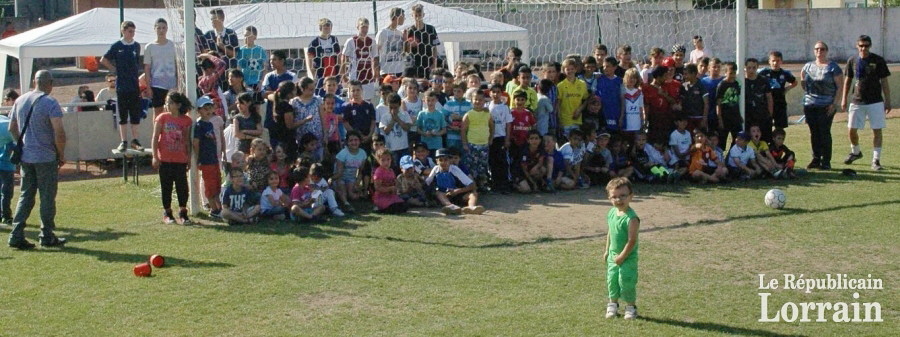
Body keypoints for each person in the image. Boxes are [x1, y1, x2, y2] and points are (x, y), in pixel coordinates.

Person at [7, 71, 66, 249]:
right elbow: (59, 133)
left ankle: (16, 234)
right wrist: (61, 153)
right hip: (45, 156)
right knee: (47, 197)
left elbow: (12, 128)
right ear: (51, 83)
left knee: (26, 195)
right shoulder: (50, 102)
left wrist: (23, 144)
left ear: (35, 81)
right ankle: (46, 235)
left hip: (27, 156)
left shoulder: (20, 100)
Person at [842, 35, 892, 171]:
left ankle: (876, 160)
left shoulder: (878, 60)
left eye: (866, 45)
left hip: (875, 101)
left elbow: (884, 81)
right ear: (857, 46)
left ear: (870, 46)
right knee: (851, 129)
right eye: (861, 45)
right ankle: (856, 151)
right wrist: (843, 98)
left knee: (877, 130)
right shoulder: (852, 60)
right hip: (857, 100)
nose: (864, 48)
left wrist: (888, 100)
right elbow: (848, 80)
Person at [151, 91, 193, 225]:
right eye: (166, 102)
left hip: (180, 159)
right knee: (166, 186)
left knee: (182, 187)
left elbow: (187, 140)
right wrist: (155, 156)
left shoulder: (186, 120)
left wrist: (189, 157)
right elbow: (155, 137)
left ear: (178, 105)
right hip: (165, 159)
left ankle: (183, 211)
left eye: (170, 102)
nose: (167, 105)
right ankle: (168, 212)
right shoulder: (162, 118)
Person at [100, 21, 143, 152]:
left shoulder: (136, 46)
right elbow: (103, 59)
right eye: (130, 31)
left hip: (134, 85)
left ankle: (135, 140)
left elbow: (137, 64)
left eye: (133, 31)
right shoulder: (117, 46)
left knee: (135, 114)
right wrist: (114, 70)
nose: (132, 34)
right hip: (122, 86)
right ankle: (123, 140)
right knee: (123, 114)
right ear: (123, 31)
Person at [800, 41, 843, 170]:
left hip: (826, 105)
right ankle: (816, 158)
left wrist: (834, 104)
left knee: (824, 132)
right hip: (810, 104)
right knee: (814, 132)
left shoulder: (833, 67)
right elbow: (803, 82)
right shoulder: (808, 66)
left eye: (822, 49)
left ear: (826, 51)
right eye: (817, 49)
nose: (819, 51)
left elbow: (840, 87)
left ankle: (826, 160)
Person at [603, 177, 641, 320]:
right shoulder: (612, 213)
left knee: (626, 281)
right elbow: (610, 233)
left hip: (627, 257)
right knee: (612, 280)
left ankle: (630, 307)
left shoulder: (632, 218)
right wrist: (607, 250)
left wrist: (622, 257)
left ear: (631, 196)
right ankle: (612, 304)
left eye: (623, 196)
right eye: (615, 197)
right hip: (613, 256)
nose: (618, 200)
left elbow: (632, 241)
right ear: (609, 198)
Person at [426, 148, 485, 215]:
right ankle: (451, 206)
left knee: (473, 194)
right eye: (440, 160)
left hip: (457, 194)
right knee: (438, 193)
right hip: (444, 195)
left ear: (450, 160)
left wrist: (457, 191)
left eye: (446, 160)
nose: (443, 162)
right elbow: (427, 182)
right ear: (437, 161)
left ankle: (471, 207)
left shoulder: (455, 169)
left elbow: (472, 185)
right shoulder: (435, 169)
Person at [194, 96, 223, 218]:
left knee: (217, 184)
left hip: (214, 158)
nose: (208, 110)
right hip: (205, 160)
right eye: (205, 108)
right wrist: (198, 158)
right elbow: (196, 143)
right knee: (210, 186)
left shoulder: (210, 124)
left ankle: (219, 208)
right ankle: (214, 209)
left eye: (210, 107)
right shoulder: (199, 125)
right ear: (199, 110)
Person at [143, 18, 177, 119]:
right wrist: (148, 87)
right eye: (159, 28)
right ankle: (157, 134)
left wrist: (179, 83)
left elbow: (177, 65)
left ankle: (170, 134)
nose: (161, 30)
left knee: (172, 111)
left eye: (163, 28)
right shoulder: (149, 47)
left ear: (167, 29)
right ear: (155, 29)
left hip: (172, 84)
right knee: (157, 112)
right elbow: (147, 67)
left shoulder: (173, 45)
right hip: (157, 84)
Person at [461, 91, 494, 189]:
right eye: (476, 99)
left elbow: (492, 127)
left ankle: (482, 185)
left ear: (484, 101)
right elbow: (463, 130)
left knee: (483, 167)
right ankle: (472, 186)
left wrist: (491, 139)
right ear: (472, 100)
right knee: (471, 167)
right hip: (472, 144)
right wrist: (465, 144)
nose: (478, 102)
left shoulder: (487, 114)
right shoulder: (468, 115)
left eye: (480, 100)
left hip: (484, 145)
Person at [758, 51, 797, 130]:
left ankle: (778, 142)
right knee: (766, 127)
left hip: (780, 104)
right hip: (767, 103)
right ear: (769, 61)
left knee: (779, 128)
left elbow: (794, 82)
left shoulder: (785, 73)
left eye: (778, 61)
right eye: (773, 61)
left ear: (781, 61)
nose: (775, 63)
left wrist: (786, 89)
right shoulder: (764, 72)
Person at [342, 18, 378, 102]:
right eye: (363, 27)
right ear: (357, 27)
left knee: (367, 101)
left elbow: (375, 58)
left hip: (368, 77)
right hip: (355, 77)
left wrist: (376, 72)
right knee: (354, 100)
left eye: (366, 27)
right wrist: (343, 75)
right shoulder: (351, 41)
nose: (365, 30)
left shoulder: (372, 41)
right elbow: (343, 58)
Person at [404, 4, 441, 79]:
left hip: (428, 63)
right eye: (416, 15)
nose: (417, 18)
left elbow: (434, 48)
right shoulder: (409, 31)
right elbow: (406, 52)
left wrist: (434, 63)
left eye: (419, 15)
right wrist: (409, 44)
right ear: (412, 15)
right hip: (414, 64)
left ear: (423, 15)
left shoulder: (431, 29)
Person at [306, 18, 342, 97]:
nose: (327, 29)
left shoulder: (334, 39)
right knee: (321, 98)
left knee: (337, 98)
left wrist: (341, 73)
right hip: (321, 77)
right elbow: (310, 61)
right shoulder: (314, 42)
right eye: (325, 27)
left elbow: (339, 57)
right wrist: (314, 76)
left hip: (334, 76)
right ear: (320, 28)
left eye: (329, 27)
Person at [488, 84, 513, 192]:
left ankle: (505, 184)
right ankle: (495, 183)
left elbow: (508, 124)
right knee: (492, 161)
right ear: (490, 93)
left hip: (501, 137)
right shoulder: (487, 107)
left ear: (501, 93)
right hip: (490, 138)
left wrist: (507, 139)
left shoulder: (505, 107)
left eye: (498, 92)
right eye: (493, 92)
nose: (495, 94)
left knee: (502, 162)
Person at [744, 58, 774, 143]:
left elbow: (769, 97)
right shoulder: (742, 81)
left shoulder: (763, 80)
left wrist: (770, 113)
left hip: (762, 114)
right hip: (747, 115)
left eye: (754, 67)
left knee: (764, 139)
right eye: (749, 67)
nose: (751, 70)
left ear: (757, 68)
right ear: (745, 67)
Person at [558, 58, 589, 136]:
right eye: (567, 69)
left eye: (572, 69)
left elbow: (585, 99)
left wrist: (579, 110)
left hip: (577, 120)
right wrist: (559, 121)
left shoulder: (582, 84)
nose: (570, 71)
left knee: (576, 143)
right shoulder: (560, 85)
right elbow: (558, 104)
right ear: (564, 70)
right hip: (565, 121)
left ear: (576, 69)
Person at [372, 148, 408, 213]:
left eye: (388, 159)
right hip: (381, 197)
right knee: (394, 208)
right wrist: (389, 189)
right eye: (383, 160)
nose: (386, 162)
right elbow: (377, 188)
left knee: (404, 205)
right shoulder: (378, 172)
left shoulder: (391, 171)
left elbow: (394, 182)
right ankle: (380, 209)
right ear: (378, 161)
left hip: (391, 196)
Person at [380, 92, 412, 164]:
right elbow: (386, 131)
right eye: (391, 107)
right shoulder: (385, 116)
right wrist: (392, 121)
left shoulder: (405, 114)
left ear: (399, 105)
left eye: (395, 107)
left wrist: (398, 119)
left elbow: (407, 128)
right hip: (391, 148)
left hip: (404, 147)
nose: (393, 110)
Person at [715, 62, 741, 149]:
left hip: (735, 117)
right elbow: (718, 103)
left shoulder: (737, 84)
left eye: (734, 73)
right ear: (726, 72)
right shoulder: (722, 85)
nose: (733, 75)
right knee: (722, 140)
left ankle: (731, 157)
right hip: (725, 117)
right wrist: (720, 119)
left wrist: (739, 115)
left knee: (737, 139)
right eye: (730, 73)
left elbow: (738, 100)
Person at [376, 7, 406, 79]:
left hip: (399, 70)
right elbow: (375, 52)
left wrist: (405, 40)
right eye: (403, 17)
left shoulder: (400, 33)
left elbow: (404, 52)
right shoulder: (382, 33)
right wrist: (376, 69)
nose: (404, 19)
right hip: (386, 70)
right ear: (396, 17)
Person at [595, 57, 623, 132]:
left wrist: (621, 116)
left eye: (607, 66)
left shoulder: (620, 81)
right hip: (602, 114)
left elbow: (622, 100)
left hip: (615, 113)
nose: (605, 68)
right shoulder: (599, 79)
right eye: (604, 66)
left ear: (615, 67)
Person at [0, 93, 15, 224]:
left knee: (5, 192)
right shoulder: (8, 128)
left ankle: (4, 215)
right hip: (6, 164)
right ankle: (6, 215)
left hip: (5, 163)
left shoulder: (3, 122)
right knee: (6, 192)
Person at [237, 26, 267, 91]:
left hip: (258, 84)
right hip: (246, 84)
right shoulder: (241, 51)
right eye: (245, 36)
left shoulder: (260, 50)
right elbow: (238, 69)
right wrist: (243, 83)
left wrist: (261, 82)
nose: (246, 38)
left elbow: (265, 68)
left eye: (248, 36)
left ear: (255, 37)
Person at [680, 64, 708, 131]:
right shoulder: (684, 86)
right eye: (684, 74)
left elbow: (706, 103)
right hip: (688, 118)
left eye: (686, 74)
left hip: (699, 117)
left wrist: (704, 119)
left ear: (693, 73)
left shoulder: (701, 85)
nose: (684, 76)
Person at [621, 69, 645, 135]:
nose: (632, 80)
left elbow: (641, 108)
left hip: (636, 123)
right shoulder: (622, 90)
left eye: (634, 78)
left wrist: (642, 121)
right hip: (625, 122)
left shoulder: (639, 92)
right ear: (626, 78)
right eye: (630, 78)